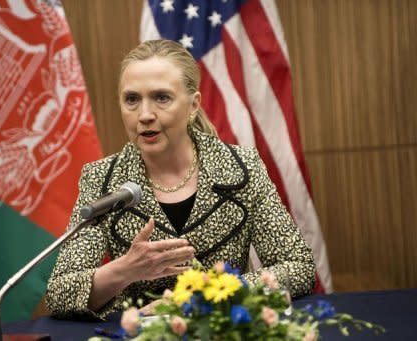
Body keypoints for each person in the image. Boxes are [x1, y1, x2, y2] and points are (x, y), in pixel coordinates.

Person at [45, 39, 315, 320]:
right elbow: (59, 294)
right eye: (132, 99)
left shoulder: (241, 168)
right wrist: (124, 270)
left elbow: (298, 267)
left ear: (193, 105)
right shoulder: (102, 180)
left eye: (162, 97)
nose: (145, 115)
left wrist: (202, 297)